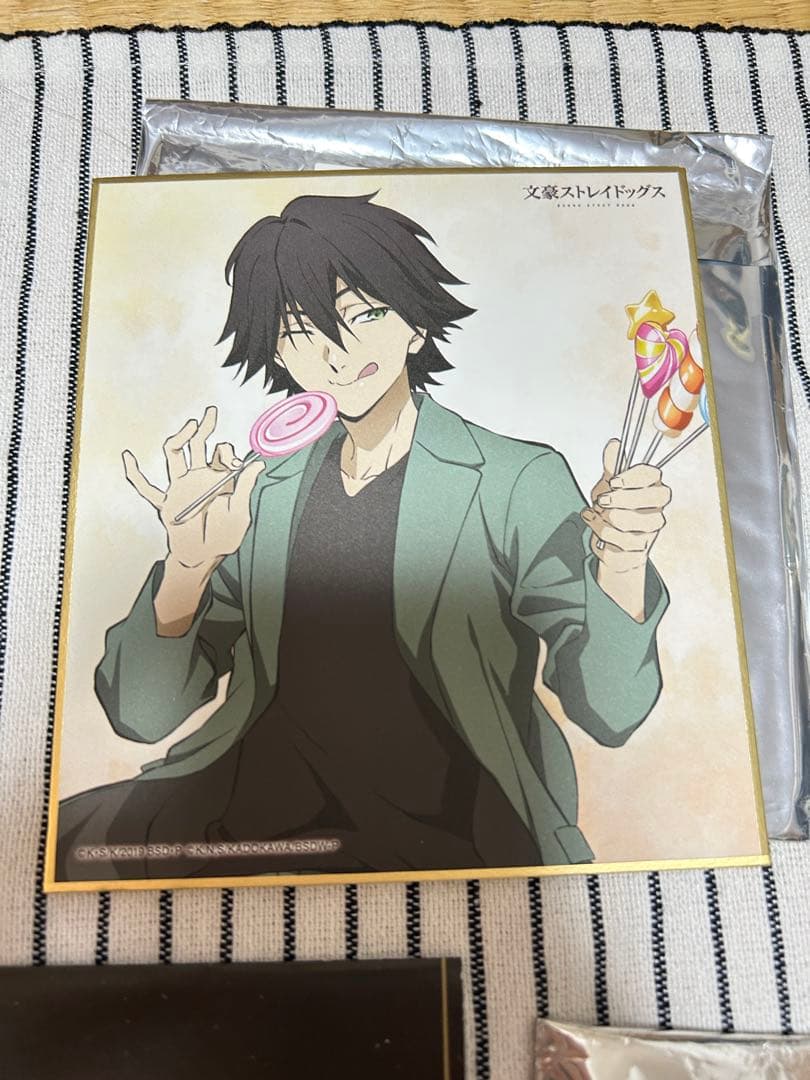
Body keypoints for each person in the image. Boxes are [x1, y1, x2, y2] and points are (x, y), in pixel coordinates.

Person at [56, 193, 671, 882]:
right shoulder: (260, 489)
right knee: (73, 847)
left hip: (451, 820)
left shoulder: (513, 480)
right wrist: (189, 566)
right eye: (299, 329)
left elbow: (612, 712)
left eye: (364, 314)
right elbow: (140, 715)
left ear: (415, 325)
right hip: (252, 800)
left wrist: (622, 563)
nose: (335, 352)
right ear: (277, 351)